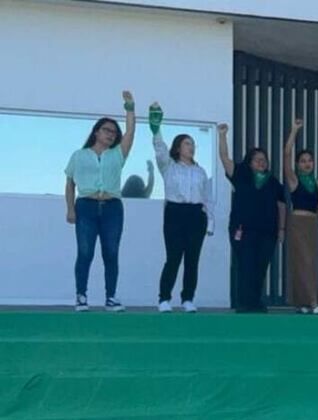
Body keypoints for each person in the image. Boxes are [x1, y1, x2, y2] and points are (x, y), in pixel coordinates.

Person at [64, 90, 137, 312]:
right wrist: (70, 209)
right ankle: (81, 296)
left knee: (111, 252)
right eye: (107, 130)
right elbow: (70, 184)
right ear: (96, 132)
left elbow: (131, 131)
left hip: (112, 207)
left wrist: (130, 108)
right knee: (85, 252)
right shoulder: (79, 155)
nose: (111, 134)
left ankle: (111, 297)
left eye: (114, 132)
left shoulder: (118, 154)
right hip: (85, 206)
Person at [150, 102, 214, 313]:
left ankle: (188, 299)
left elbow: (208, 198)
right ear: (178, 147)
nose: (191, 147)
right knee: (174, 257)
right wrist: (156, 127)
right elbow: (159, 149)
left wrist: (210, 221)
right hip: (175, 213)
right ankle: (164, 299)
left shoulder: (201, 171)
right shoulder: (169, 166)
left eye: (193, 144)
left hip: (196, 215)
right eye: (187, 143)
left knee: (192, 259)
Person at [217, 123, 286, 313]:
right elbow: (224, 158)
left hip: (267, 232)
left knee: (261, 267)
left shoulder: (273, 182)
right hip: (242, 230)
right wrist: (222, 136)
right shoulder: (241, 174)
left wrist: (281, 229)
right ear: (249, 162)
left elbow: (281, 206)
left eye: (264, 160)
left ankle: (256, 301)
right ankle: (244, 302)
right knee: (245, 264)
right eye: (257, 160)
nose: (262, 162)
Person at [283, 118, 318, 314]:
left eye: (310, 160)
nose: (307, 164)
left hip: (312, 223)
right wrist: (294, 131)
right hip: (297, 222)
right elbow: (285, 155)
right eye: (303, 161)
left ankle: (301, 301)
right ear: (297, 164)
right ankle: (311, 301)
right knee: (302, 261)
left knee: (311, 261)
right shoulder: (294, 180)